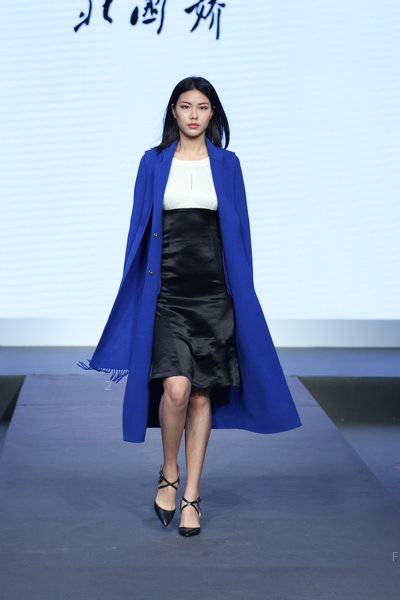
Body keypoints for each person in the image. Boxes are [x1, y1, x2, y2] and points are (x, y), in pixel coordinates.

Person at [77, 75, 302, 538]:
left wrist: (242, 296)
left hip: (215, 296)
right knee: (176, 389)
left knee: (201, 395)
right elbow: (137, 230)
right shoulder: (153, 161)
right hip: (166, 294)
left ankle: (192, 496)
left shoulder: (229, 164)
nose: (194, 115)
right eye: (185, 106)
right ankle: (169, 472)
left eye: (202, 106)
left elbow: (240, 233)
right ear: (173, 111)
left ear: (212, 112)